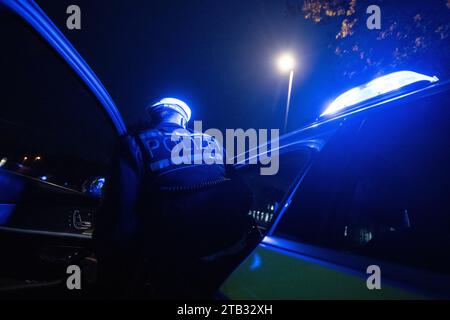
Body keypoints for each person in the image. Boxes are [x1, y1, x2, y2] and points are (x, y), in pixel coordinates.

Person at [94, 98, 258, 298]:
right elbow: (244, 192)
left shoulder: (134, 142)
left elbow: (119, 218)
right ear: (183, 120)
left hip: (174, 267)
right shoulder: (210, 141)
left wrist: (111, 266)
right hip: (231, 258)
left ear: (154, 116)